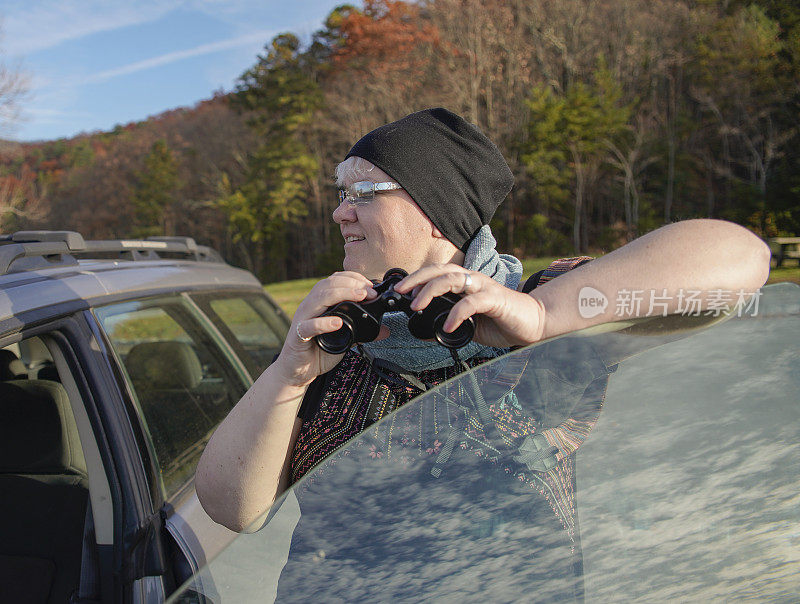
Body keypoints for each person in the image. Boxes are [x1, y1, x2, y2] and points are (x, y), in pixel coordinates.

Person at [196, 107, 770, 534]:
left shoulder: (546, 304)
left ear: (437, 211)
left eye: (363, 191)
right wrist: (288, 376)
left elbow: (740, 258)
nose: (339, 211)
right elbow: (230, 510)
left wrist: (542, 318)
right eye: (342, 192)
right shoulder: (335, 333)